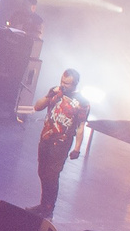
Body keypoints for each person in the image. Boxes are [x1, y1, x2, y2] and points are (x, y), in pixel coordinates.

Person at [27, 69, 89, 215]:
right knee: (42, 171)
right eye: (62, 81)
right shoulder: (55, 92)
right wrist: (49, 95)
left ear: (75, 84)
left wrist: (77, 148)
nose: (63, 85)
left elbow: (80, 127)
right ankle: (44, 204)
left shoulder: (82, 102)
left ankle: (48, 208)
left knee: (52, 175)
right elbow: (37, 107)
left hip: (62, 143)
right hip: (46, 138)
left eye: (66, 83)